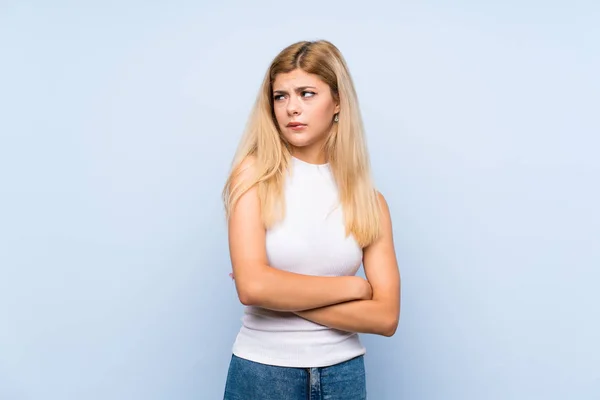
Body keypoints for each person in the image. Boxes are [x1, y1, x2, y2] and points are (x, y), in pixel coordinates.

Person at [221, 40, 401, 400]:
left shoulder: (368, 200)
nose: (292, 109)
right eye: (280, 96)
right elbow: (253, 288)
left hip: (344, 375)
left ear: (337, 102)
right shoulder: (253, 176)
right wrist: (353, 289)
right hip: (263, 373)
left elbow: (385, 318)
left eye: (306, 93)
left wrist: (283, 294)